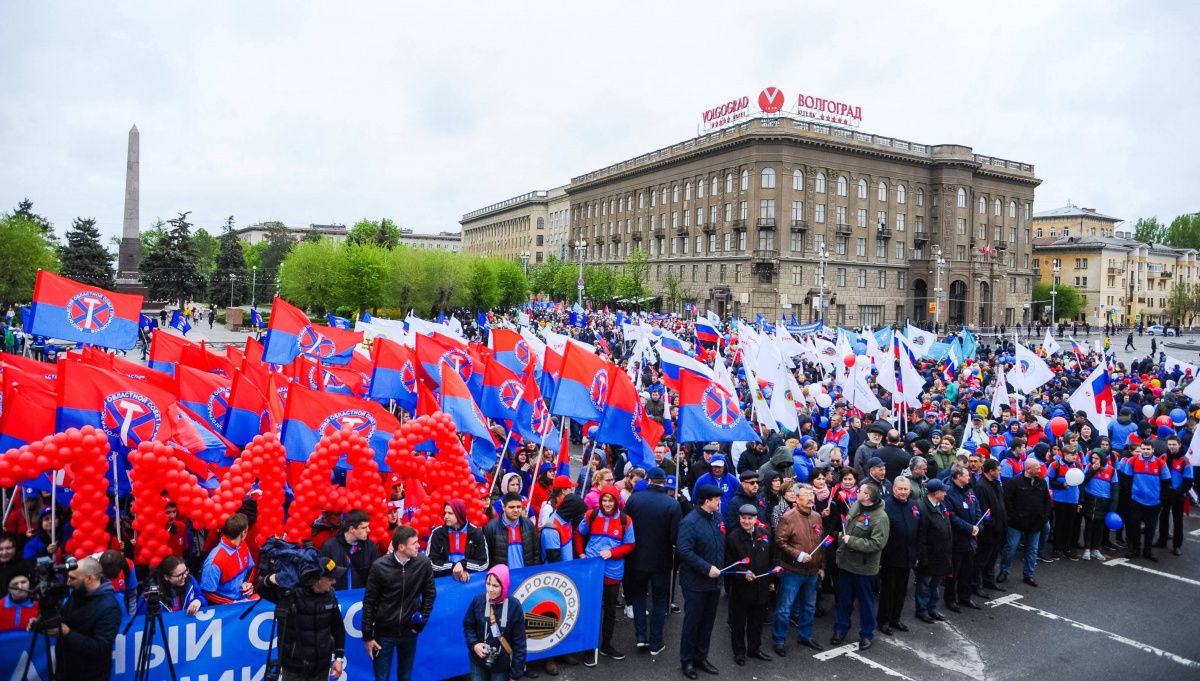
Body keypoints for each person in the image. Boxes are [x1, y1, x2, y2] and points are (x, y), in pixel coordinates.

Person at [362, 525, 437, 681]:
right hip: (383, 634)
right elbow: (369, 602)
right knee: (381, 677)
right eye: (414, 543)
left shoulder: (423, 563)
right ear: (401, 547)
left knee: (405, 676)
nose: (419, 546)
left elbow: (430, 595)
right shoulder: (379, 567)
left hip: (410, 632)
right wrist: (368, 636)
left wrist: (419, 624)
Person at [257, 555, 347, 681]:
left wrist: (339, 658)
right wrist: (274, 578)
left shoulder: (330, 595)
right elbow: (261, 589)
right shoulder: (291, 595)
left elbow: (338, 628)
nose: (334, 582)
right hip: (294, 669)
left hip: (322, 667)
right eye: (330, 578)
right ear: (318, 579)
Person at [31, 557, 123, 681]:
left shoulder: (110, 607)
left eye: (73, 578)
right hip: (64, 670)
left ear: (90, 578)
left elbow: (101, 648)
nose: (68, 582)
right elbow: (63, 617)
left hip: (90, 676)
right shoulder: (78, 592)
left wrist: (68, 634)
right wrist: (42, 623)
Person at [623, 466, 680, 656]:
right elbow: (675, 538)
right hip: (661, 562)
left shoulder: (634, 499)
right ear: (664, 483)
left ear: (648, 481)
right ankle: (655, 642)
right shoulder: (672, 504)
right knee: (659, 601)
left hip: (637, 559)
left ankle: (640, 637)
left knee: (639, 597)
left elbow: (626, 527)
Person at [578, 484, 635, 663]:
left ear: (616, 501)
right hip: (592, 570)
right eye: (604, 500)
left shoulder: (626, 520)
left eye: (610, 500)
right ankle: (589, 647)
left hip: (613, 571)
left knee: (610, 610)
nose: (607, 503)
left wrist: (613, 553)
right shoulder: (591, 515)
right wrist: (580, 553)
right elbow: (578, 534)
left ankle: (606, 645)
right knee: (591, 608)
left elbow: (630, 545)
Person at [832, 482, 889, 651]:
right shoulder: (856, 505)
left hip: (864, 568)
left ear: (868, 497)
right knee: (844, 601)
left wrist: (852, 540)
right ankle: (840, 629)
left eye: (861, 491)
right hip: (846, 564)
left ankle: (866, 634)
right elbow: (848, 523)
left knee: (865, 603)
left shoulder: (881, 518)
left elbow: (877, 543)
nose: (857, 492)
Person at [676, 485, 724, 679]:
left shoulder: (717, 518)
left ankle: (701, 657)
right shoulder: (690, 522)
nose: (719, 502)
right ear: (707, 501)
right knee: (693, 623)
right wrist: (706, 568)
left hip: (714, 583)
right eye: (717, 499)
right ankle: (687, 660)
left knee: (708, 622)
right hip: (695, 583)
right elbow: (684, 550)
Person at [772, 483, 825, 656]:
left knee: (809, 607)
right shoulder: (788, 517)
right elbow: (780, 541)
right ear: (796, 498)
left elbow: (821, 542)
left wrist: (821, 566)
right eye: (806, 494)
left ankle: (805, 636)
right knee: (785, 608)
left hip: (812, 571)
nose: (811, 497)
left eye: (812, 494)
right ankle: (779, 640)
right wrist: (797, 555)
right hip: (792, 571)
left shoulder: (817, 516)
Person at [725, 504, 773, 666]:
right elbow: (728, 564)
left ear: (755, 519)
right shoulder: (732, 538)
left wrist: (771, 582)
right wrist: (742, 573)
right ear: (739, 518)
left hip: (760, 587)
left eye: (750, 518)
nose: (746, 521)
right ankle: (739, 652)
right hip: (741, 590)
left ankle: (754, 649)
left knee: (756, 623)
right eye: (743, 518)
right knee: (738, 625)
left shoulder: (765, 534)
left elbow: (771, 559)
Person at [463, 564, 528, 681]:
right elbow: (469, 625)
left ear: (504, 586)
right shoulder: (478, 601)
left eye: (495, 585)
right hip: (478, 661)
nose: (490, 589)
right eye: (488, 584)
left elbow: (520, 642)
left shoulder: (514, 606)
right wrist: (474, 644)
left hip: (501, 665)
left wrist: (515, 674)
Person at [1000, 458, 1050, 586]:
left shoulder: (1042, 483)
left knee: (1032, 550)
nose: (1040, 470)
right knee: (1011, 548)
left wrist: (1043, 518)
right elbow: (1008, 501)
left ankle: (1029, 574)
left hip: (1035, 524)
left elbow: (1046, 502)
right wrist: (1014, 518)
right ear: (1028, 469)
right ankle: (1004, 571)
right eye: (1037, 468)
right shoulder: (1014, 482)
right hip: (1016, 524)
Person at [1119, 441, 1172, 562]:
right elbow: (1127, 480)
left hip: (1154, 502)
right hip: (1136, 500)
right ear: (1141, 449)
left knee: (1150, 528)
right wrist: (1130, 496)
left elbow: (1166, 483)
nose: (1146, 451)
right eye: (1143, 449)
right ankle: (1135, 549)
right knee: (1134, 526)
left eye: (1148, 449)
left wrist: (1161, 500)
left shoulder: (1161, 463)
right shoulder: (1132, 461)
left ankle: (1148, 551)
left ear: (1153, 450)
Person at [878, 476, 918, 635]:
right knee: (888, 591)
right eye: (900, 489)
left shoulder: (914, 505)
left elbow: (918, 530)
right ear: (894, 489)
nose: (903, 492)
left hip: (907, 556)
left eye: (906, 489)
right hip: (890, 557)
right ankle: (883, 621)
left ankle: (896, 618)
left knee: (902, 590)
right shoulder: (885, 506)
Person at [944, 465, 981, 610]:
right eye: (966, 475)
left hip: (971, 540)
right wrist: (969, 528)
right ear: (958, 477)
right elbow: (952, 517)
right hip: (957, 540)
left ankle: (965, 597)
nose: (969, 477)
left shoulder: (969, 490)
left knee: (967, 570)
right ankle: (950, 599)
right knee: (954, 572)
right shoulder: (949, 493)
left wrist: (978, 526)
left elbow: (978, 509)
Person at [200, 512, 257, 604]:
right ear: (243, 533)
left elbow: (251, 567)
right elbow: (207, 592)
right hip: (226, 610)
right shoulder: (214, 560)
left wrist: (248, 583)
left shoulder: (243, 545)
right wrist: (231, 603)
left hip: (243, 602)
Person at [320, 508, 381, 590]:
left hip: (362, 597)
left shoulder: (371, 547)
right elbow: (323, 575)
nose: (368, 530)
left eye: (368, 527)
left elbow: (375, 576)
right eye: (363, 528)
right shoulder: (329, 546)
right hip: (337, 597)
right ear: (352, 529)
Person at [429, 499, 489, 581]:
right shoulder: (437, 533)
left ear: (459, 514)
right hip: (443, 583)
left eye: (450, 513)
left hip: (469, 583)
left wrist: (463, 564)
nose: (445, 516)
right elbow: (431, 563)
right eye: (445, 512)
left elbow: (484, 564)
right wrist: (453, 567)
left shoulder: (476, 533)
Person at [972, 459, 1008, 592]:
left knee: (992, 558)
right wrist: (992, 524)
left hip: (999, 528)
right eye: (998, 470)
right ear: (991, 471)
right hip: (989, 531)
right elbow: (983, 510)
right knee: (982, 558)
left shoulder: (996, 484)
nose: (1000, 472)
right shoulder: (981, 487)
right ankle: (977, 585)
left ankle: (989, 580)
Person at [483, 493, 542, 570]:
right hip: (502, 579)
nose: (516, 510)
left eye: (519, 507)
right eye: (511, 507)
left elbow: (536, 553)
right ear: (503, 507)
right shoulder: (490, 528)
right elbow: (487, 558)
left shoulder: (529, 525)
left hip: (525, 577)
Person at [1155, 437, 1193, 556]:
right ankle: (1162, 540)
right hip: (1165, 493)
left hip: (1178, 495)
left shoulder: (1185, 461)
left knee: (1178, 521)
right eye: (1169, 444)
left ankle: (1177, 545)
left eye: (1174, 444)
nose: (1171, 446)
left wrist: (1177, 492)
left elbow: (1188, 481)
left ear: (1179, 444)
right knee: (1163, 517)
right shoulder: (1162, 457)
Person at [138, 555, 206, 616]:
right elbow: (139, 620)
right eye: (179, 575)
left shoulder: (190, 580)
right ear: (166, 577)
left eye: (186, 571)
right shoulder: (150, 594)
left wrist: (199, 601)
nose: (185, 576)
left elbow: (202, 597)